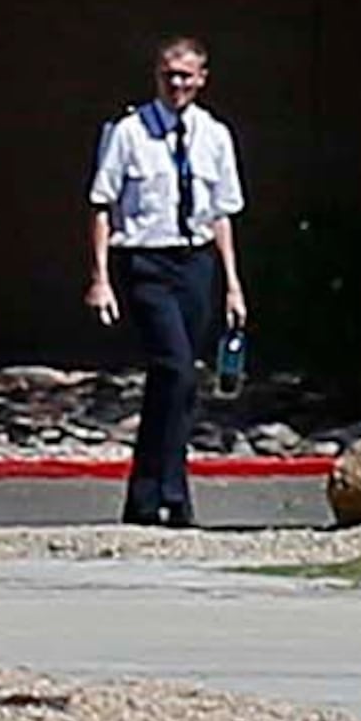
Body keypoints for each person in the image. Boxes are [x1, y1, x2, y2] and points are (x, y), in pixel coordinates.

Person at [87, 30, 248, 526]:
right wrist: (99, 278)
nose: (176, 84)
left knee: (178, 379)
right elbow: (101, 206)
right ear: (156, 76)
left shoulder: (214, 135)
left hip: (196, 262)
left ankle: (149, 494)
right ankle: (172, 491)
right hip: (145, 262)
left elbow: (222, 214)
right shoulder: (128, 133)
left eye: (185, 76)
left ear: (202, 79)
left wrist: (233, 284)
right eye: (168, 75)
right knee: (174, 367)